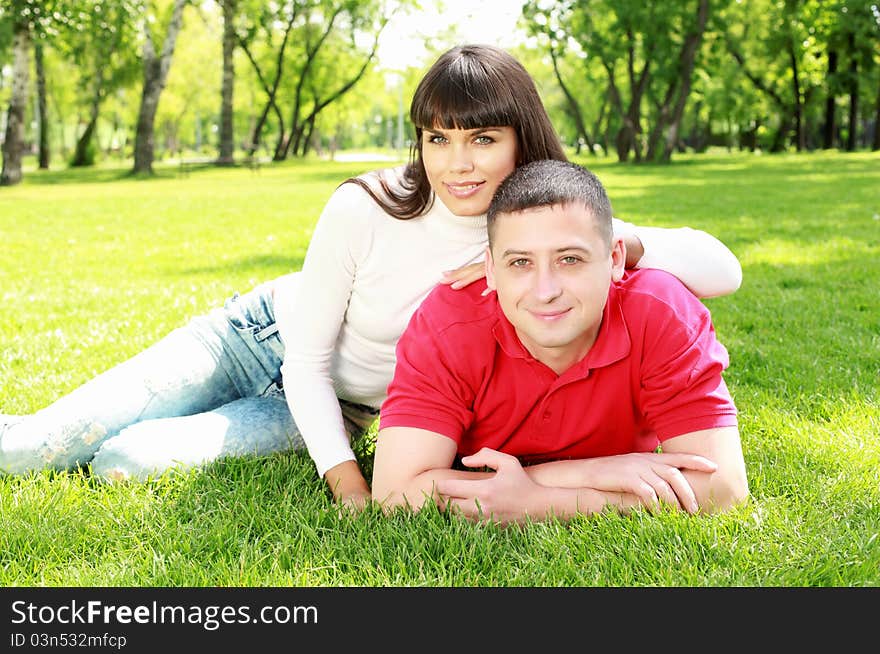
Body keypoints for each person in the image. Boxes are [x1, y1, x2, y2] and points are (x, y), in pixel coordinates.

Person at [0, 45, 742, 510]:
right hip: (260, 341)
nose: (458, 163)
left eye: (484, 138)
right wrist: (347, 484)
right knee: (38, 447)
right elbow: (309, 360)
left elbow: (722, 267)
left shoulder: (547, 221)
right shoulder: (368, 206)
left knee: (126, 460)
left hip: (348, 407)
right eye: (437, 138)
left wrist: (622, 243)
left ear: (522, 137)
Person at [371, 159, 749, 523]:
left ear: (616, 258)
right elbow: (395, 492)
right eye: (520, 263)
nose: (545, 291)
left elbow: (723, 486)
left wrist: (540, 500)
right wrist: (593, 474)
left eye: (569, 260)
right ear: (490, 269)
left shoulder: (661, 311)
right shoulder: (450, 322)